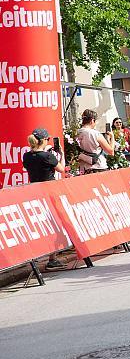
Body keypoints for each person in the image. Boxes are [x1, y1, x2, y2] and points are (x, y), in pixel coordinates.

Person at [22, 128, 66, 269]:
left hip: (35, 192)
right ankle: (52, 259)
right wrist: (61, 155)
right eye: (47, 139)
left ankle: (37, 256)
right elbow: (61, 169)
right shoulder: (47, 156)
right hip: (50, 191)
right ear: (43, 141)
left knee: (40, 225)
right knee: (54, 223)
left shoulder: (27, 156)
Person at [76, 109, 115, 174]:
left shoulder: (76, 133)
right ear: (92, 120)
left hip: (84, 168)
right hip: (99, 166)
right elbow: (111, 151)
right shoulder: (95, 134)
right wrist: (112, 137)